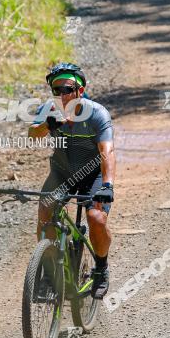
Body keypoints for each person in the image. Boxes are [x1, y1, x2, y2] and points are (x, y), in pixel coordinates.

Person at [28, 63, 116, 299]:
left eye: (67, 89)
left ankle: (101, 268)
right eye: (56, 90)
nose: (62, 95)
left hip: (92, 173)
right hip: (62, 173)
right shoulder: (49, 109)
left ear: (81, 90)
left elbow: (107, 150)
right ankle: (49, 273)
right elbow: (32, 134)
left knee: (96, 217)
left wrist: (107, 185)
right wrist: (47, 125)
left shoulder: (97, 113)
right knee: (45, 211)